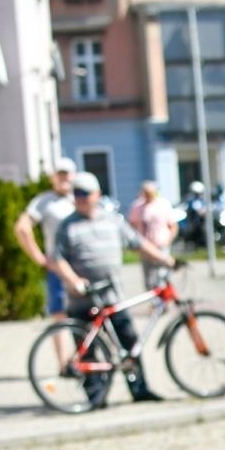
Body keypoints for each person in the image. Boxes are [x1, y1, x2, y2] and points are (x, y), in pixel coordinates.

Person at [51, 173, 177, 405]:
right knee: (87, 350)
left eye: (85, 194)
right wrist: (74, 281)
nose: (80, 199)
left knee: (129, 342)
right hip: (82, 299)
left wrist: (166, 260)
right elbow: (57, 259)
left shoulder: (112, 220)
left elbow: (138, 243)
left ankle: (140, 390)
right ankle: (95, 398)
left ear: (97, 194)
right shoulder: (67, 226)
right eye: (76, 194)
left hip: (112, 297)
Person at [15, 156, 79, 334]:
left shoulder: (81, 198)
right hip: (58, 265)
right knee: (59, 315)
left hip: (82, 263)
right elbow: (22, 228)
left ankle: (86, 357)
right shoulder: (45, 201)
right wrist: (39, 258)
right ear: (53, 177)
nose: (63, 179)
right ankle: (64, 361)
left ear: (74, 176)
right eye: (60, 174)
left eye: (66, 175)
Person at [127, 181, 177, 290]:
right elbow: (131, 225)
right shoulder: (137, 206)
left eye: (151, 193)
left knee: (163, 274)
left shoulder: (163, 204)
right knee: (149, 277)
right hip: (145, 246)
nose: (148, 195)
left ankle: (164, 302)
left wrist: (168, 241)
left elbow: (173, 226)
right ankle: (154, 302)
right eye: (146, 193)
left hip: (161, 245)